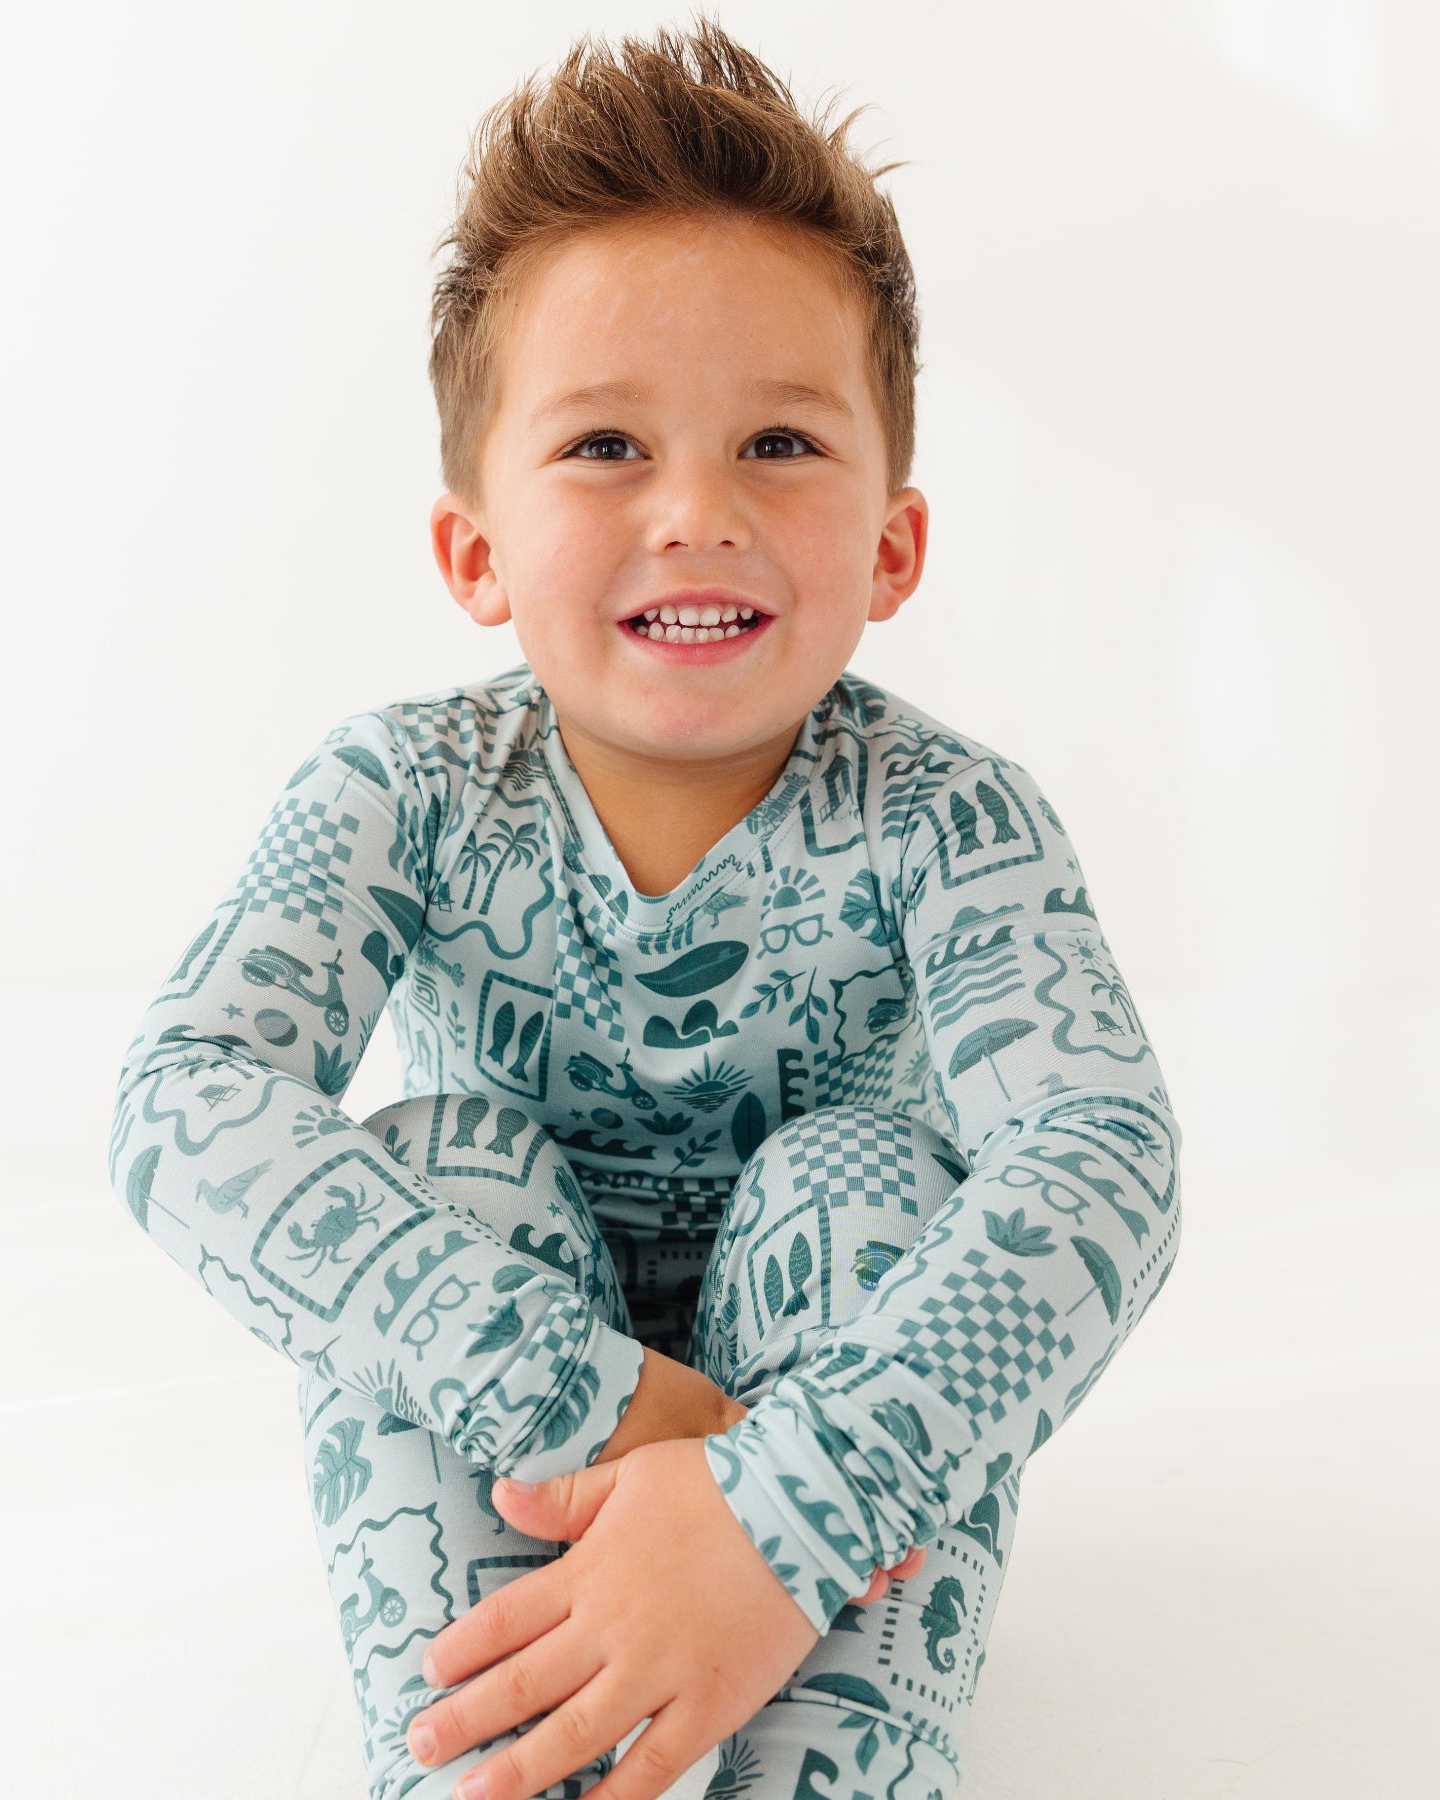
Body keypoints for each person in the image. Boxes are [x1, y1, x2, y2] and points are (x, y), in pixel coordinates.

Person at [108, 16, 1183, 1800]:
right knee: (439, 1145)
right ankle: (500, 1766)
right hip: (522, 1399)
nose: (696, 513)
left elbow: (1102, 1164)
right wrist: (598, 1407)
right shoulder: (398, 788)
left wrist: (783, 1503)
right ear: (475, 551)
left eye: (777, 442)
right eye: (607, 446)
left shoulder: (954, 818)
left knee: (860, 1182)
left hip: (836, 1391)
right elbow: (183, 1098)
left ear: (894, 545)